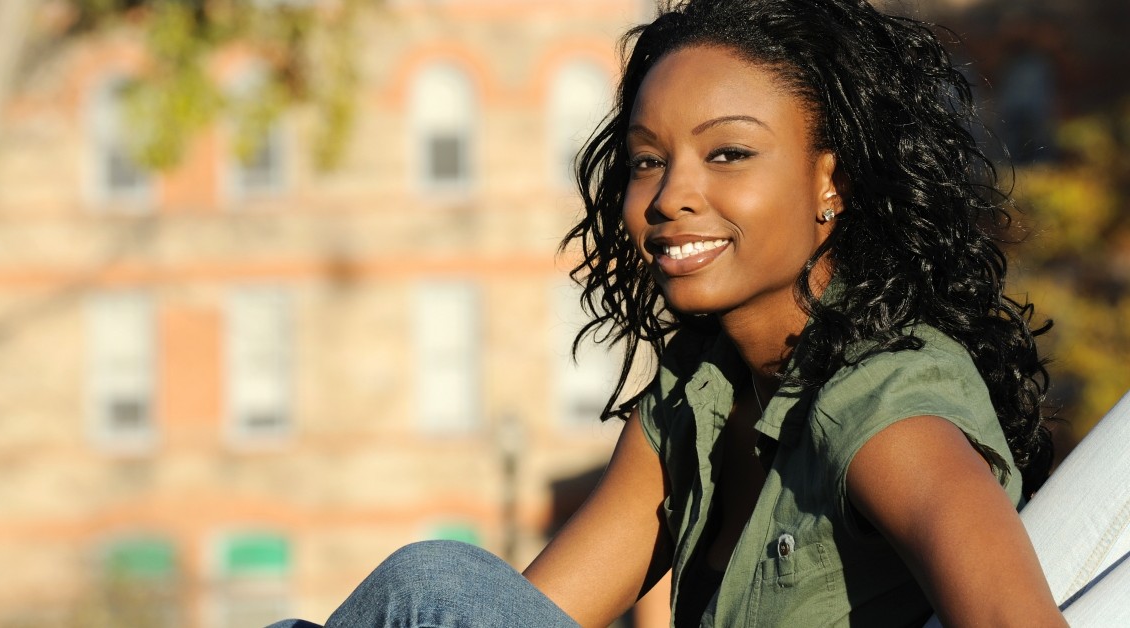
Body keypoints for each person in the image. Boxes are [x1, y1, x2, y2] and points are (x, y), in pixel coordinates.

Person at [268, 0, 1129, 626]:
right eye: (647, 161)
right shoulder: (694, 399)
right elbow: (532, 615)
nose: (671, 195)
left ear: (831, 179)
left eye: (729, 153)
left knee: (437, 585)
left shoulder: (887, 404)